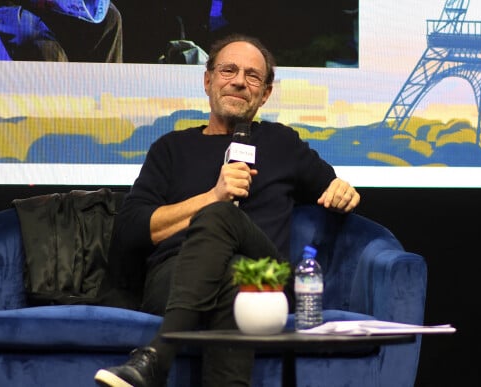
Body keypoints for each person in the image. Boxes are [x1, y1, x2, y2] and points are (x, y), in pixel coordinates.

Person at [94, 33, 360, 387]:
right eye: (228, 70)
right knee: (231, 263)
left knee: (226, 225)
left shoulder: (282, 143)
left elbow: (335, 190)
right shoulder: (171, 148)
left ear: (264, 93)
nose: (238, 81)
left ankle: (156, 357)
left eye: (252, 76)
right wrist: (212, 196)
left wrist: (344, 191)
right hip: (176, 277)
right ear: (208, 80)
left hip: (263, 274)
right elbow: (130, 231)